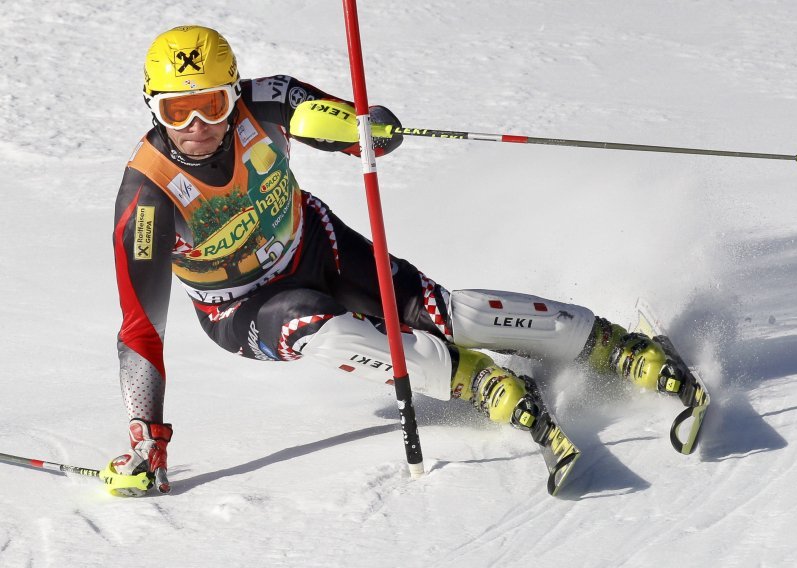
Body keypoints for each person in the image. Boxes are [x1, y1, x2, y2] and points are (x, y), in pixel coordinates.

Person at [105, 25, 681, 496]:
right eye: (177, 111)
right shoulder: (148, 200)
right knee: (320, 327)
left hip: (315, 242)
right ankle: (475, 380)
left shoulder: (270, 101)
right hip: (244, 308)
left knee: (440, 311)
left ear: (234, 93)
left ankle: (609, 343)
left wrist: (369, 132)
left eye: (210, 105)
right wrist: (147, 435)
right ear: (153, 109)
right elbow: (140, 329)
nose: (197, 127)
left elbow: (347, 122)